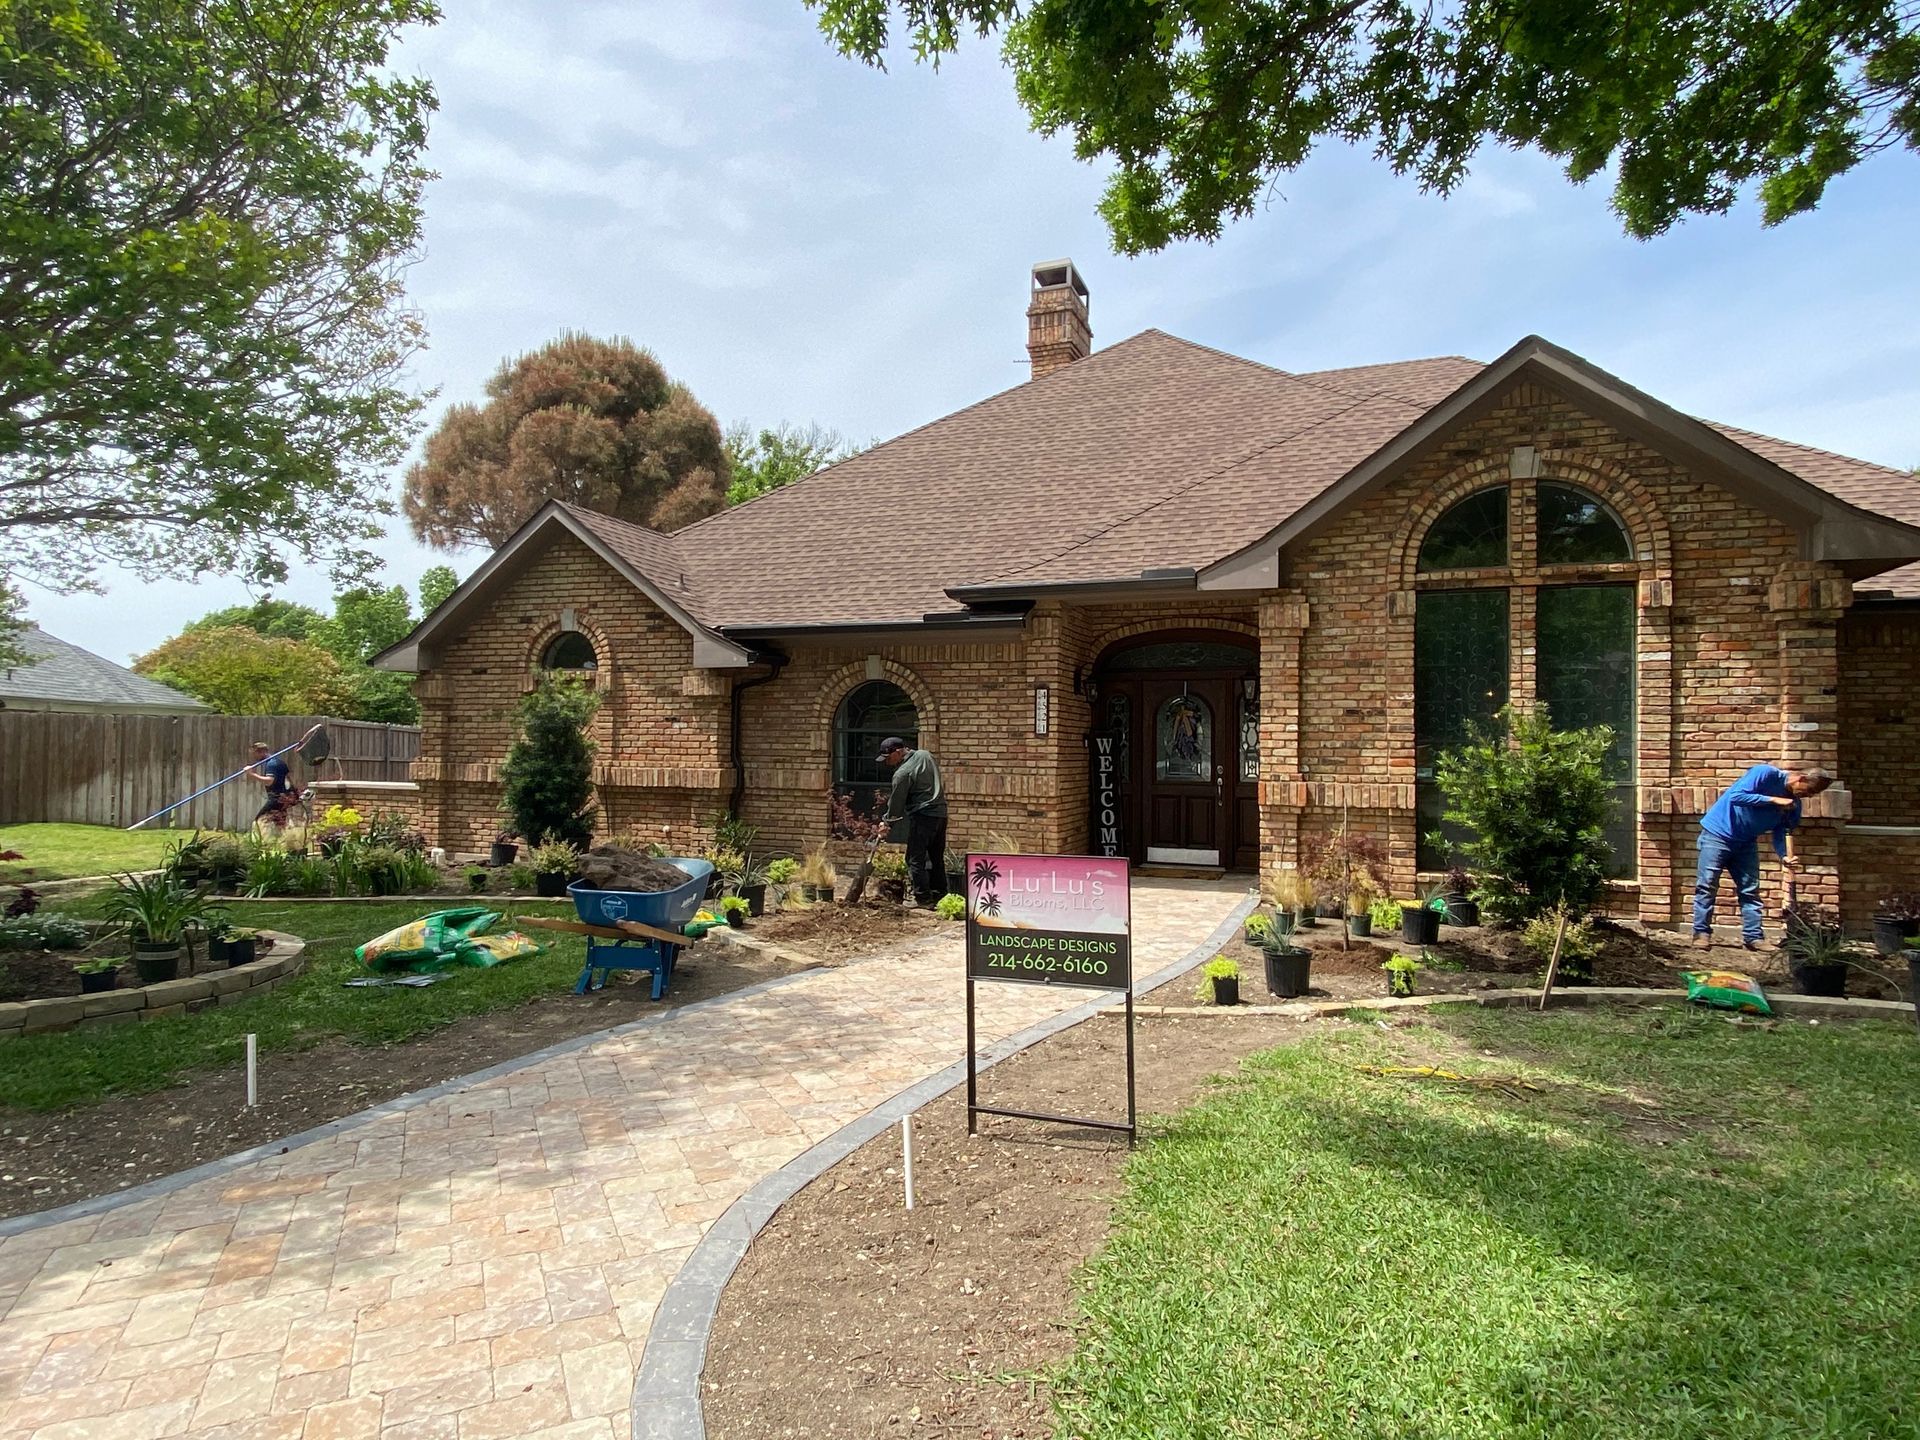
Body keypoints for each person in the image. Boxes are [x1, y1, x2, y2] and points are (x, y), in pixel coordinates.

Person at [1693, 763, 1835, 949]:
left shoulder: (1793, 805)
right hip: (1717, 835)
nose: (1807, 796)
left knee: (1750, 890)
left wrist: (1784, 855)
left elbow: (1781, 832)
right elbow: (1737, 796)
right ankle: (1701, 934)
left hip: (1746, 843)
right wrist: (1774, 800)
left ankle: (1754, 937)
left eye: (1812, 795)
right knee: (1707, 885)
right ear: (1801, 778)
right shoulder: (1765, 773)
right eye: (1808, 791)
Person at [877, 736, 947, 907]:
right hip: (941, 814)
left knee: (915, 859)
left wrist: (887, 824)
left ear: (899, 751)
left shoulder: (902, 773)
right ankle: (941, 896)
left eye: (888, 757)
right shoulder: (925, 755)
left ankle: (923, 900)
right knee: (936, 857)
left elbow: (896, 805)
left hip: (923, 816)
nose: (887, 762)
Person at [245, 727, 320, 834]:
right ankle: (282, 841)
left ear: (261, 752)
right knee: (279, 823)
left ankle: (260, 842)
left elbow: (269, 781)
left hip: (276, 798)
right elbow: (290, 777)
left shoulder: (272, 764)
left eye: (254, 754)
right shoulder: (278, 762)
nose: (253, 756)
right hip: (283, 798)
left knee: (259, 821)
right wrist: (294, 792)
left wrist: (252, 774)